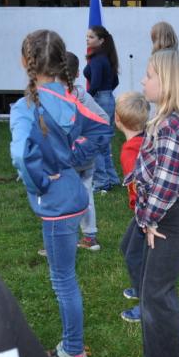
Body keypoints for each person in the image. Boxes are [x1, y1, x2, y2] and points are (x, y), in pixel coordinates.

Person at [10, 29, 111, 357]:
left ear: (26, 62)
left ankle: (74, 354)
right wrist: (72, 159)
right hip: (73, 197)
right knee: (64, 278)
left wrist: (41, 181)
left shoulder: (24, 107)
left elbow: (21, 156)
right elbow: (103, 126)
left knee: (63, 280)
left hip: (58, 206)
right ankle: (71, 347)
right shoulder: (71, 98)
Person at [125, 49, 179, 357]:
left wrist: (148, 220)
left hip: (170, 218)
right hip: (160, 214)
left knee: (157, 292)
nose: (143, 80)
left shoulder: (171, 126)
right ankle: (161, 350)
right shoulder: (162, 120)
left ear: (168, 83)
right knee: (144, 275)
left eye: (149, 75)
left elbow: (164, 185)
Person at [67, 51, 109, 252]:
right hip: (82, 156)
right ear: (77, 73)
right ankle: (89, 237)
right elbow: (103, 119)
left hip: (70, 157)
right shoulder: (82, 96)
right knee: (85, 193)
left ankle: (60, 240)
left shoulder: (57, 98)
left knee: (61, 197)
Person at [115, 91, 149, 323]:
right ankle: (139, 288)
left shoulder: (130, 151)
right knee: (128, 248)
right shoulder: (146, 139)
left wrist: (145, 217)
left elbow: (140, 187)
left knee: (136, 256)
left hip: (147, 213)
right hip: (146, 211)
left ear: (117, 120)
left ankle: (146, 304)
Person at [84, 25, 121, 192]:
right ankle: (112, 178)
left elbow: (95, 84)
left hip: (99, 99)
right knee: (104, 143)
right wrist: (106, 94)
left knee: (96, 142)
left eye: (91, 37)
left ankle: (101, 183)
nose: (87, 39)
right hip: (108, 99)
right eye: (87, 36)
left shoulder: (97, 59)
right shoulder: (107, 57)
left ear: (101, 40)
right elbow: (115, 82)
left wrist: (85, 100)